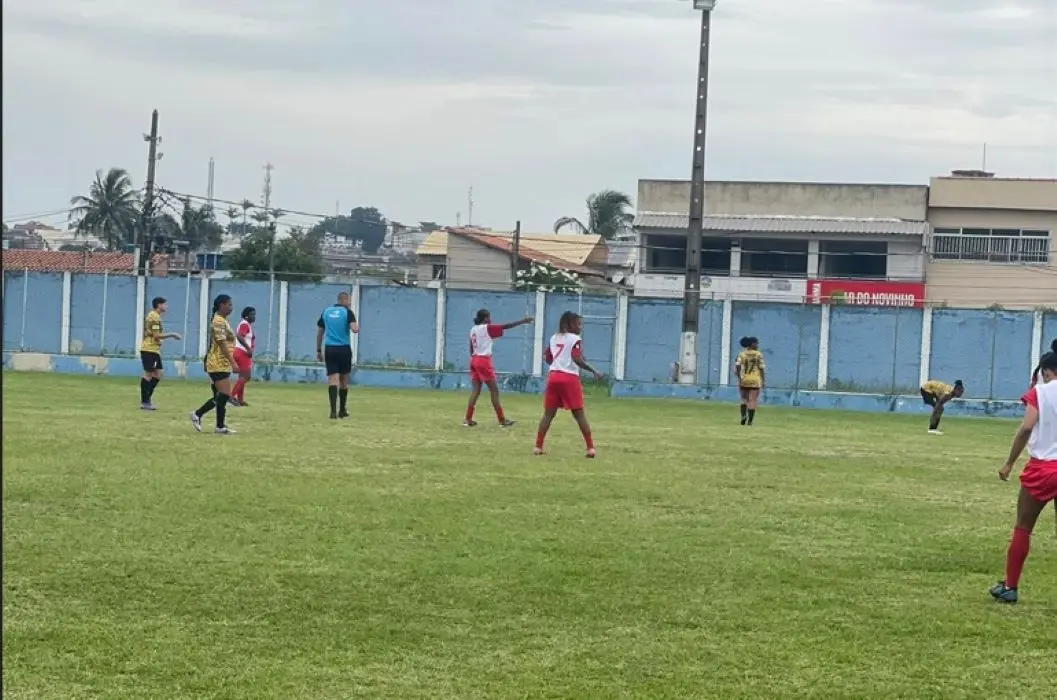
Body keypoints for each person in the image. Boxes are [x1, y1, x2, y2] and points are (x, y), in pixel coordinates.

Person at [990, 350, 1057, 604]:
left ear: (1047, 370)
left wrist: (1009, 463)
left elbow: (1027, 427)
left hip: (1042, 468)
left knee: (1023, 526)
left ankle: (1010, 586)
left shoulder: (1040, 392)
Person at [534, 311, 603, 458]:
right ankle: (590, 448)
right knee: (579, 414)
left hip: (553, 377)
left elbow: (548, 358)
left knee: (548, 414)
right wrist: (593, 370)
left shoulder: (554, 337)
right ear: (570, 324)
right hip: (569, 378)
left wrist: (558, 362)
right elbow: (577, 359)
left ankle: (538, 447)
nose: (581, 327)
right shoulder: (575, 339)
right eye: (578, 324)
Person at [464, 309, 534, 427]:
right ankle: (502, 420)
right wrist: (523, 321)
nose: (490, 320)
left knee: (476, 390)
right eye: (489, 317)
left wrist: (474, 359)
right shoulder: (486, 328)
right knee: (494, 390)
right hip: (483, 360)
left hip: (474, 359)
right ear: (485, 318)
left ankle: (468, 418)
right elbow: (505, 326)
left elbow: (471, 347)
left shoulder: (473, 329)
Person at [190, 294, 237, 435]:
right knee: (223, 395)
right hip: (218, 363)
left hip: (219, 362)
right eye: (229, 304)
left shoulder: (222, 320)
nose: (231, 307)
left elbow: (214, 343)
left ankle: (220, 426)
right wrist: (233, 362)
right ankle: (197, 414)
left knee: (220, 396)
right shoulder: (218, 321)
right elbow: (222, 343)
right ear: (221, 305)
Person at [316, 291, 359, 419]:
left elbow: (319, 332)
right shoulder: (348, 312)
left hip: (330, 348)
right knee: (344, 380)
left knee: (332, 379)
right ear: (343, 300)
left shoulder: (326, 311)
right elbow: (354, 329)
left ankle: (333, 411)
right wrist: (355, 324)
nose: (349, 303)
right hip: (343, 349)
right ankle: (342, 410)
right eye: (349, 301)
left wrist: (318, 350)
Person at [138, 296, 181, 410]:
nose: (166, 307)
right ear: (159, 305)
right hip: (149, 349)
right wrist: (172, 334)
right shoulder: (155, 317)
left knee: (158, 374)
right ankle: (145, 401)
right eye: (165, 304)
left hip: (153, 349)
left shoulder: (152, 316)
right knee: (149, 374)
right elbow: (156, 335)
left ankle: (147, 399)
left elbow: (149, 331)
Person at [734, 336, 765, 426]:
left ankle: (743, 416)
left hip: (744, 379)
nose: (757, 345)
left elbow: (737, 366)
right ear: (752, 344)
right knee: (752, 400)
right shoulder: (758, 354)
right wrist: (763, 380)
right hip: (755, 380)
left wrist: (739, 377)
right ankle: (750, 421)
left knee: (744, 399)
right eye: (756, 343)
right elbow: (762, 368)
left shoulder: (742, 354)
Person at [230, 307, 256, 407]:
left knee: (242, 377)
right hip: (242, 353)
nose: (254, 317)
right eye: (252, 314)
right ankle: (232, 396)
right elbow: (239, 336)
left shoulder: (246, 324)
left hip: (240, 352)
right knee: (246, 376)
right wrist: (248, 349)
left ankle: (240, 400)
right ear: (246, 315)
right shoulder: (244, 324)